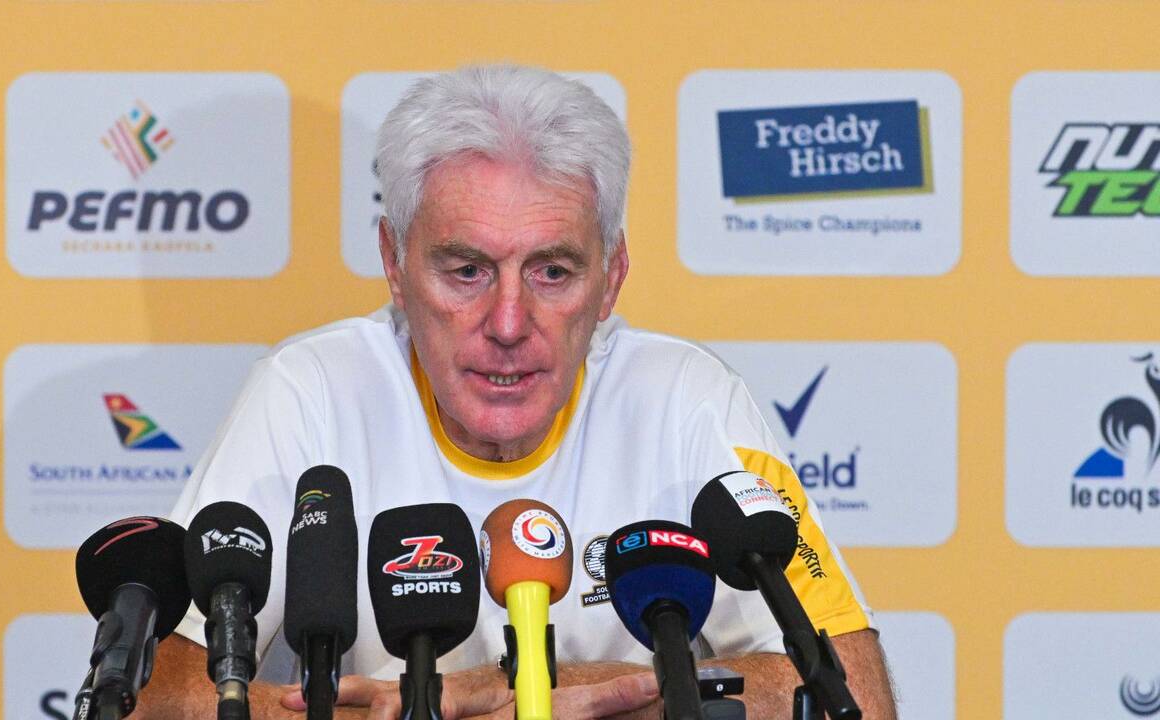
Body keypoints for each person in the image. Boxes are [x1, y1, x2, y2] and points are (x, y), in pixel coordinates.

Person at [136, 64, 897, 719]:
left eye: (552, 272)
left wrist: (547, 691)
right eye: (467, 271)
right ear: (394, 266)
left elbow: (854, 691)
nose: (507, 324)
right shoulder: (310, 393)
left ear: (612, 278)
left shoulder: (687, 399)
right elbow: (158, 698)